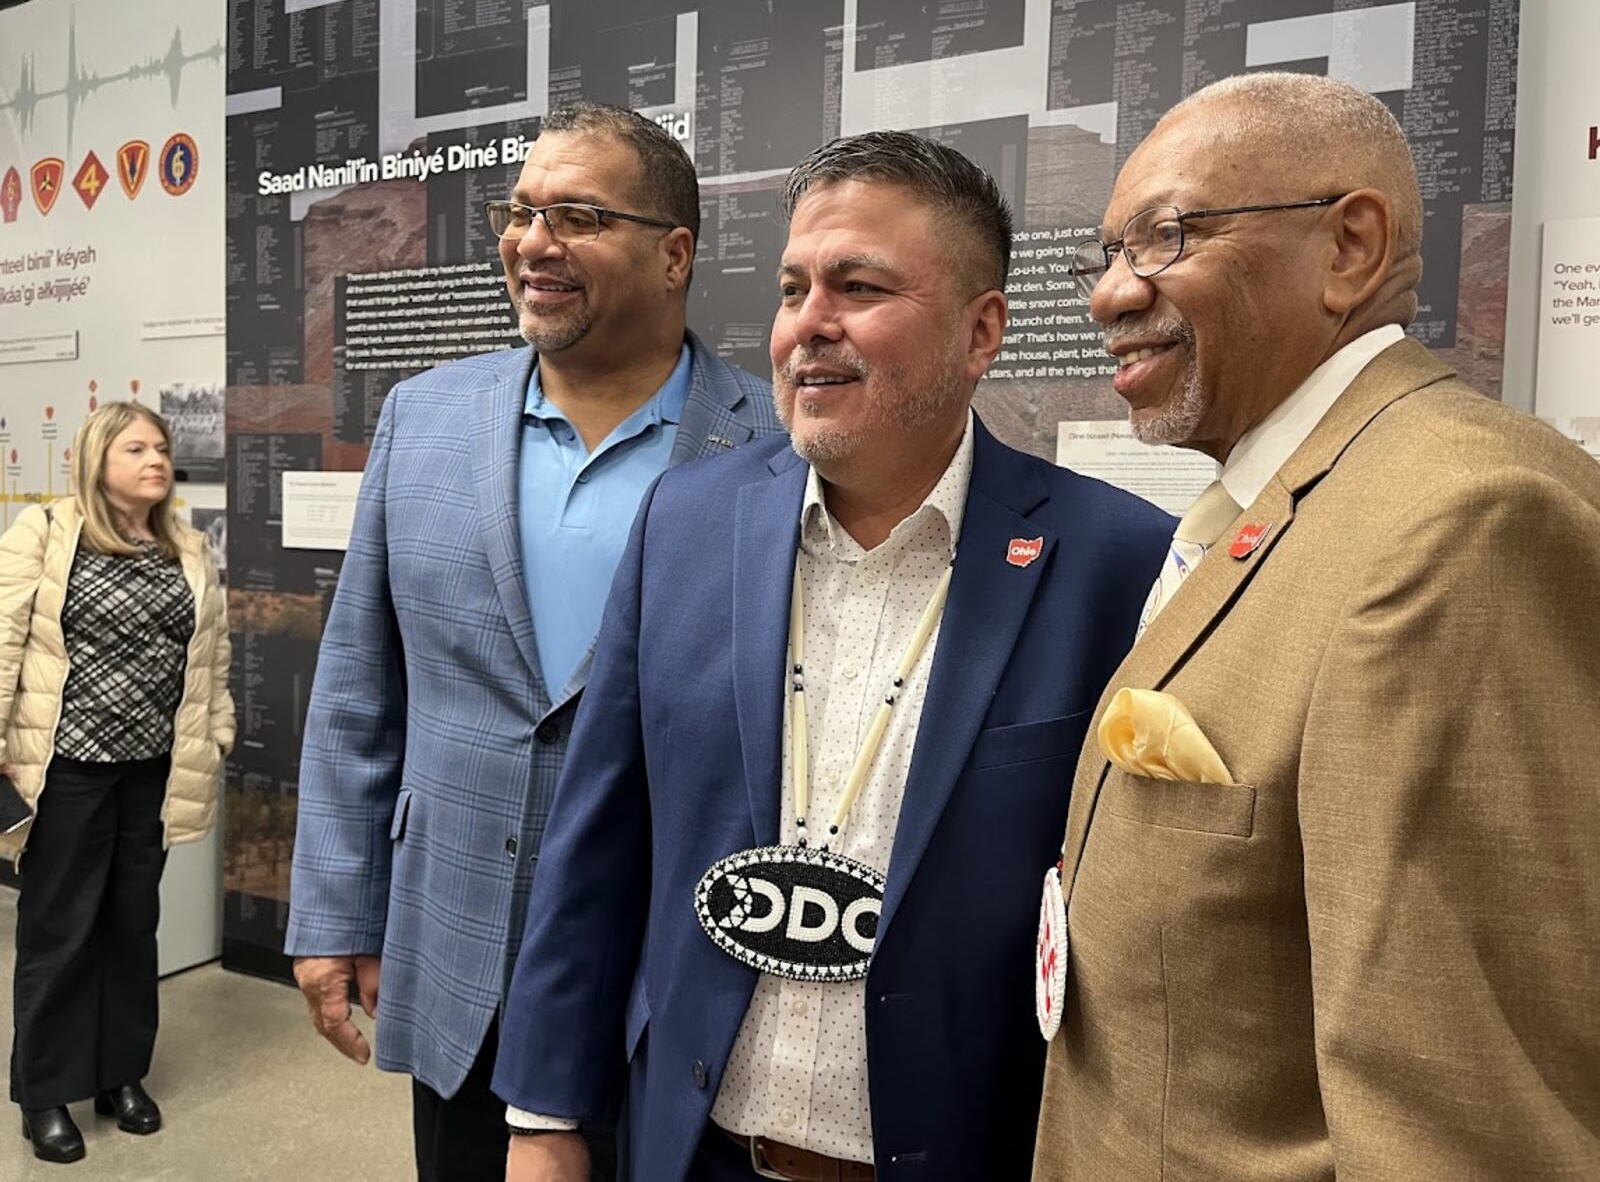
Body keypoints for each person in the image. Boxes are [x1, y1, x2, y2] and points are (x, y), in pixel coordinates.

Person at [491, 130, 1173, 1182]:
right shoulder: (686, 523)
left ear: (979, 329)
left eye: (858, 286)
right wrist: (542, 1116)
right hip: (693, 1153)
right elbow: (597, 843)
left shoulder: (1114, 565)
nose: (809, 325)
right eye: (792, 286)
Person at [1033, 72, 1600, 1181]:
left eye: (1163, 236)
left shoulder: (1459, 522)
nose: (1107, 294)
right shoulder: (1266, 503)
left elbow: (1463, 1113)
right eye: (1102, 255)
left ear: (1348, 246)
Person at [285, 100, 780, 1182]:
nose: (532, 241)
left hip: (671, 965)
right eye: (521, 212)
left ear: (673, 253)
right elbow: (358, 691)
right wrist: (333, 909)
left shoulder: (773, 445)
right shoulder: (426, 417)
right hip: (458, 945)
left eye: (579, 215)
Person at [0, 401, 233, 1165]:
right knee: (59, 929)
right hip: (65, 767)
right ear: (97, 457)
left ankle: (119, 1074)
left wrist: (216, 733)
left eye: (163, 448)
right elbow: (2, 638)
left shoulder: (189, 547)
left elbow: (213, 662)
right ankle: (44, 1090)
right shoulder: (46, 532)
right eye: (136, 447)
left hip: (153, 771)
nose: (157, 459)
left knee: (131, 927)